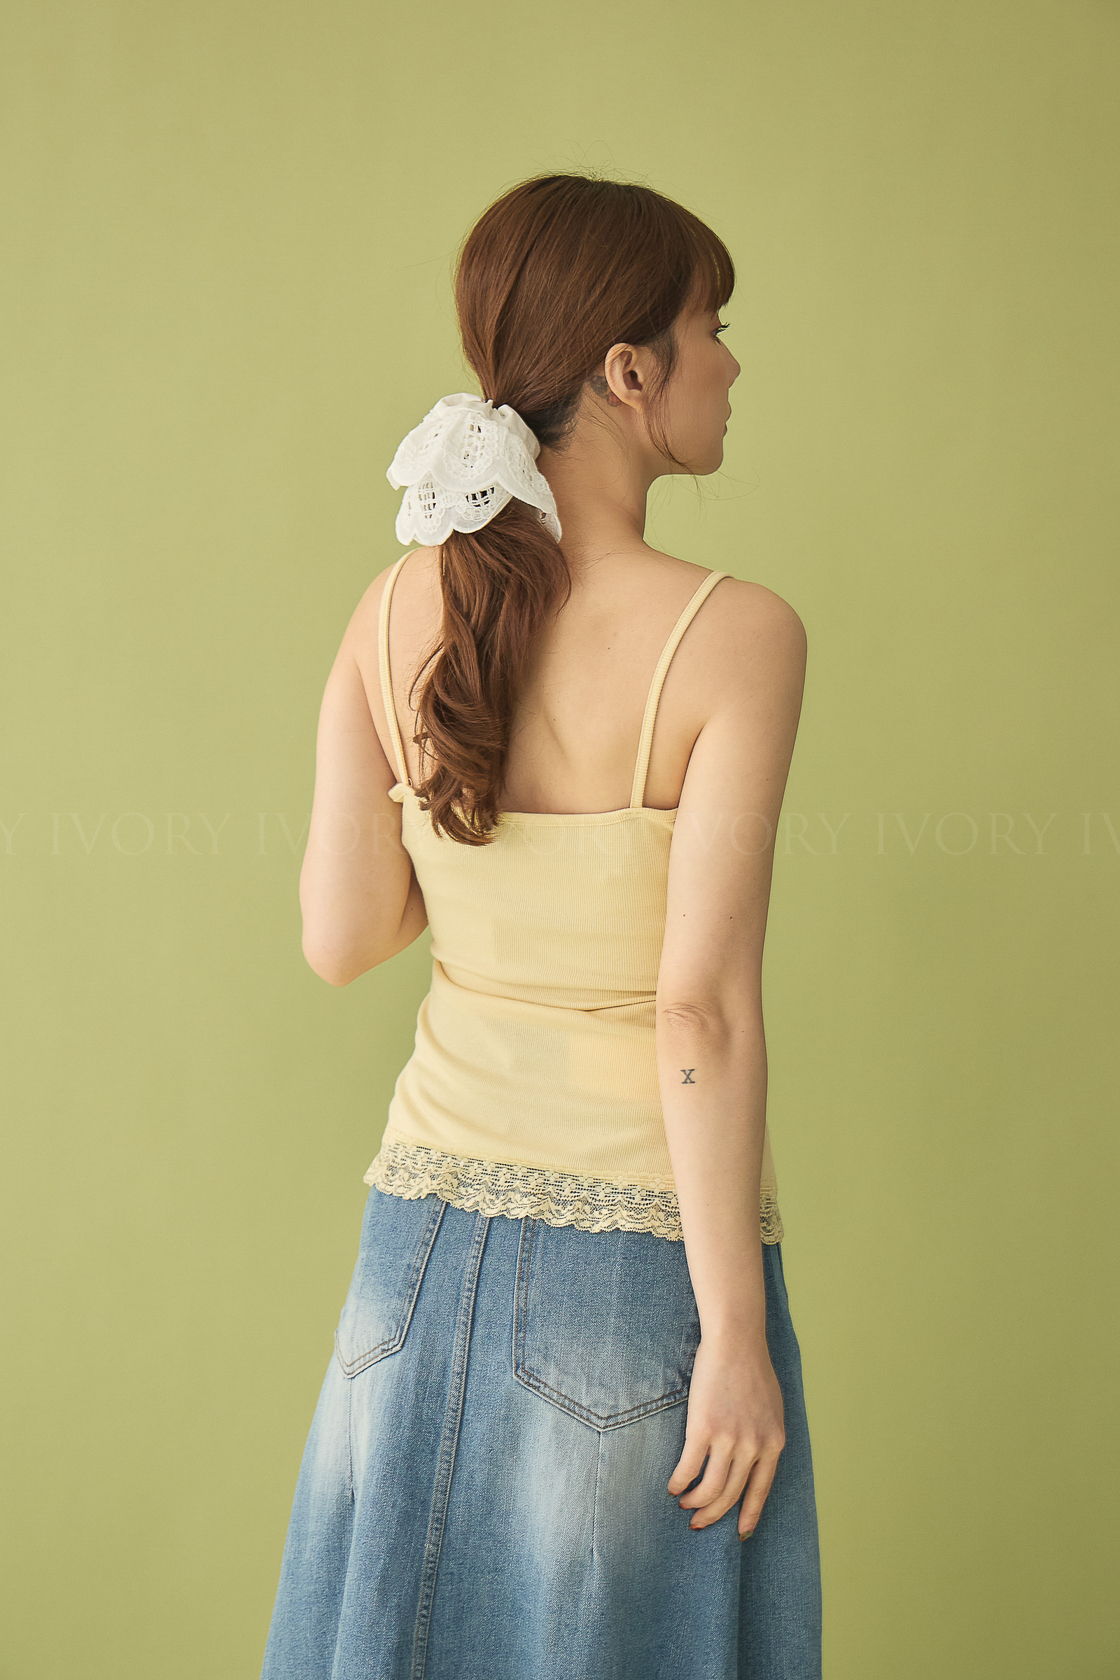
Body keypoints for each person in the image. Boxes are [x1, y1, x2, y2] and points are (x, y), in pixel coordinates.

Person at [261, 172, 822, 1680]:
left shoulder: (394, 608)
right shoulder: (734, 635)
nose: (732, 362)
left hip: (416, 1239)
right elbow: (699, 1011)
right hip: (637, 1261)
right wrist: (734, 1338)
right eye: (714, 325)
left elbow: (341, 935)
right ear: (628, 371)